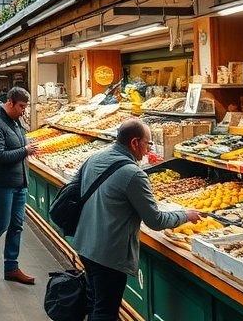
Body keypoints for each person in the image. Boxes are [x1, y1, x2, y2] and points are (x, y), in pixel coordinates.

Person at [72, 118, 200, 320]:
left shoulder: (95, 157)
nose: (148, 149)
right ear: (134, 143)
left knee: (95, 302)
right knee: (105, 311)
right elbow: (155, 221)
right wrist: (185, 215)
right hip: (109, 253)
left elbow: (77, 189)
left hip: (84, 243)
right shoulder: (134, 174)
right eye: (148, 143)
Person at [0, 87, 40, 284]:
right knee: (2, 223)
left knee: (16, 226)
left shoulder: (16, 122)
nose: (23, 110)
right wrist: (25, 151)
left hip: (19, 183)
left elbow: (20, 147)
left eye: (26, 107)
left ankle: (11, 267)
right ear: (10, 102)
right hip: (2, 184)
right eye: (21, 106)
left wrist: (26, 149)